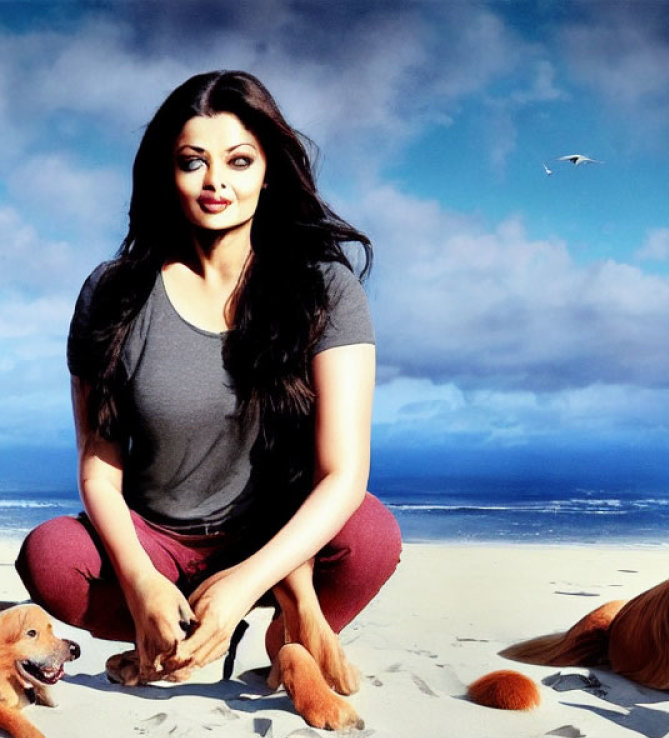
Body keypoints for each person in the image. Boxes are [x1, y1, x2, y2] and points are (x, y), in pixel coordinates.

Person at [16, 70, 401, 686]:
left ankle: (272, 622)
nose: (217, 181)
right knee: (52, 557)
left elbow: (344, 473)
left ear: (269, 170)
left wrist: (245, 581)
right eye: (193, 161)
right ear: (166, 175)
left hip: (271, 538)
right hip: (158, 537)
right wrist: (141, 580)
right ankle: (174, 632)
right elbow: (98, 461)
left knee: (371, 536)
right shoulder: (113, 293)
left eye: (240, 160)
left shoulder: (326, 290)